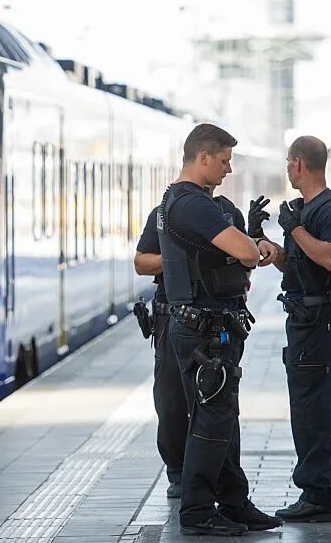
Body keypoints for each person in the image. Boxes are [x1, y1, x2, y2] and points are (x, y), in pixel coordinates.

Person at [157, 123, 281, 537]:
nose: (228, 169)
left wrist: (249, 242)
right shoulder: (192, 203)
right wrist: (250, 246)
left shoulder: (184, 201)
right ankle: (196, 511)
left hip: (210, 326)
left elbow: (240, 250)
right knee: (211, 419)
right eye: (224, 160)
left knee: (222, 416)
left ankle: (233, 501)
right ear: (203, 157)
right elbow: (245, 252)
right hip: (203, 331)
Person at [251, 136, 331, 523]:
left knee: (309, 409)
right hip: (305, 317)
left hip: (318, 321)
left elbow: (330, 258)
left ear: (298, 164)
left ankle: (316, 496)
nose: (286, 169)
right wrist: (262, 239)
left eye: (287, 163)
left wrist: (293, 228)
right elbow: (294, 267)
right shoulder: (306, 210)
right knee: (319, 407)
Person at [134, 187, 246, 501]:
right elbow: (141, 262)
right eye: (223, 160)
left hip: (217, 319)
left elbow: (244, 259)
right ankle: (178, 473)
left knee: (216, 403)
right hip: (171, 316)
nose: (228, 169)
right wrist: (177, 260)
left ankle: (217, 479)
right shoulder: (164, 215)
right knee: (170, 402)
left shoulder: (227, 213)